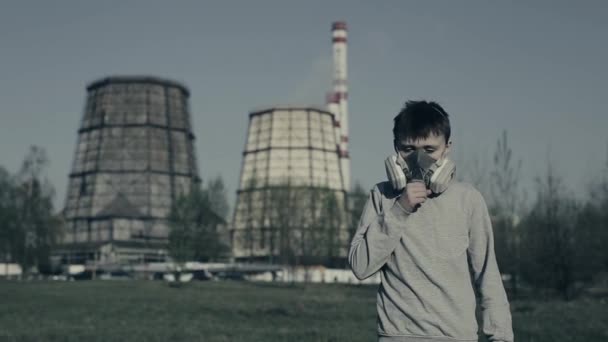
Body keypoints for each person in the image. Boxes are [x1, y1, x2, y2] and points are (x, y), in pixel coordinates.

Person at [348, 100, 514, 342]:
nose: (419, 160)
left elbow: (488, 275)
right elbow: (360, 266)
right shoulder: (382, 196)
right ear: (396, 148)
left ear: (447, 148)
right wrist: (399, 210)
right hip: (398, 336)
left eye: (429, 150)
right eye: (408, 150)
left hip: (456, 336)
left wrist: (500, 337)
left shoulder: (468, 200)